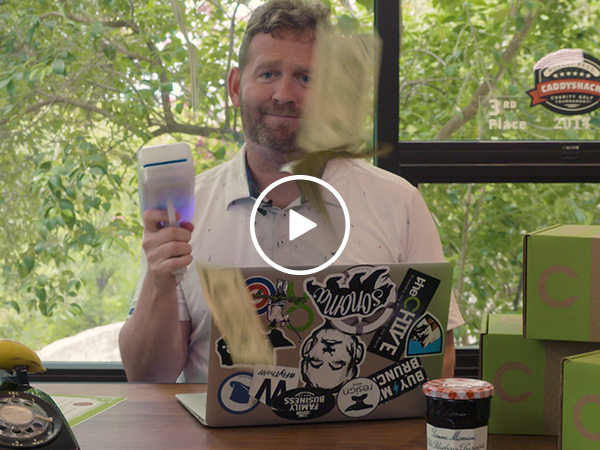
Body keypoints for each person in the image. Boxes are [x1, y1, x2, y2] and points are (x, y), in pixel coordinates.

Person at [119, 0, 464, 383]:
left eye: (306, 78)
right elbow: (148, 377)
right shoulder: (187, 212)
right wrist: (159, 282)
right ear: (235, 86)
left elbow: (437, 357)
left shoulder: (398, 204)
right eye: (268, 73)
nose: (284, 94)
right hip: (217, 422)